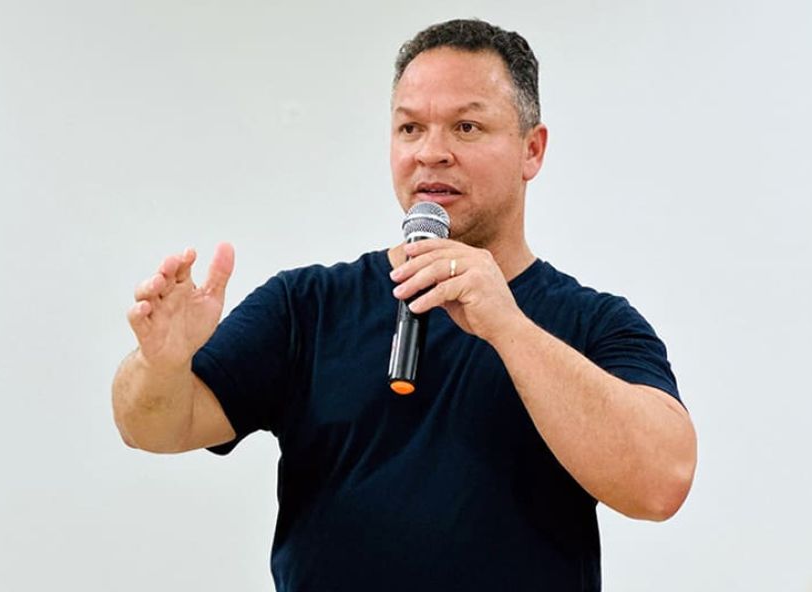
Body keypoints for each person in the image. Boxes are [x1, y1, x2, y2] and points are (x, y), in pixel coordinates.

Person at [112, 19, 697, 591]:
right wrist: (160, 364)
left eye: (467, 127)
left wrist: (509, 328)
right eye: (410, 128)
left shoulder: (594, 324)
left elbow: (661, 483)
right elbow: (152, 427)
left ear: (532, 150)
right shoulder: (306, 306)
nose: (431, 153)